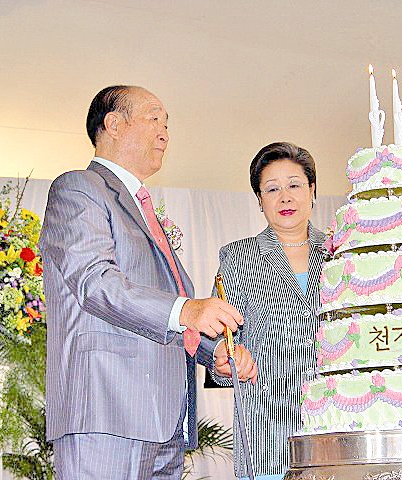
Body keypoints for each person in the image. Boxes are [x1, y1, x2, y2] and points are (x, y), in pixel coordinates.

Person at [40, 85, 257, 479]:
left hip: (166, 423)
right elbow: (95, 283)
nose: (165, 132)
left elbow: (166, 320)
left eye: (167, 124)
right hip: (107, 411)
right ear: (113, 125)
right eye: (154, 118)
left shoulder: (144, 210)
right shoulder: (79, 188)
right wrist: (189, 309)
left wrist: (214, 354)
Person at [211, 142, 325, 480]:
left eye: (294, 185)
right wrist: (225, 358)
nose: (285, 197)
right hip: (267, 434)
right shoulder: (237, 256)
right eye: (272, 189)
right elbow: (218, 342)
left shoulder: (342, 253)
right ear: (260, 200)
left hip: (337, 428)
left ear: (312, 191)